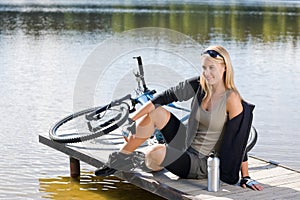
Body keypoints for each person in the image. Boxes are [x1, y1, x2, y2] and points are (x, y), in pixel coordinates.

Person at [95, 45, 263, 191]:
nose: (207, 73)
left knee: (156, 152)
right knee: (156, 112)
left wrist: (245, 176)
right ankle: (120, 158)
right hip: (185, 143)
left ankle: (142, 159)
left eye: (212, 68)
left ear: (224, 67)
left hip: (200, 163)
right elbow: (164, 97)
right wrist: (132, 119)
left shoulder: (232, 99)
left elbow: (238, 139)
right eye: (204, 68)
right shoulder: (200, 84)